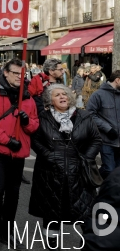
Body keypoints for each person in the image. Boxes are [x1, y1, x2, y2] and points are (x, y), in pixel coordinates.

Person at [29, 84, 102, 247]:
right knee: (52, 211)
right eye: (57, 95)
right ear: (50, 100)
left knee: (84, 211)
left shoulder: (84, 116)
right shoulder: (43, 117)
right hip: (50, 173)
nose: (63, 97)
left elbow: (96, 139)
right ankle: (52, 243)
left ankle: (90, 243)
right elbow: (34, 140)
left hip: (79, 172)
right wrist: (48, 155)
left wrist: (86, 158)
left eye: (65, 94)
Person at [0, 58, 39, 246]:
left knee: (13, 193)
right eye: (15, 73)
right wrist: (7, 140)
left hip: (18, 152)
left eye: (22, 74)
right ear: (5, 73)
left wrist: (27, 121)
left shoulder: (28, 97)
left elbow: (35, 125)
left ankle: (8, 232)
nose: (19, 77)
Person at [87, 70, 120, 179]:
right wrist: (108, 129)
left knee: (117, 170)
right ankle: (92, 182)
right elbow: (90, 114)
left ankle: (111, 191)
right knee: (109, 168)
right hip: (106, 139)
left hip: (119, 140)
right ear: (117, 80)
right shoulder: (98, 94)